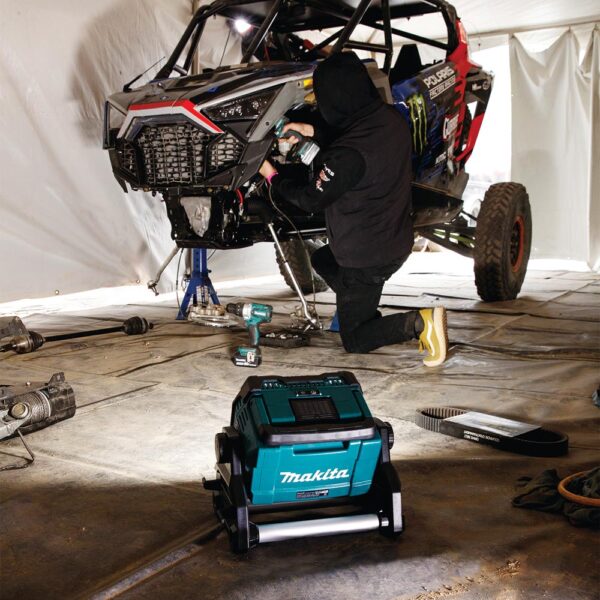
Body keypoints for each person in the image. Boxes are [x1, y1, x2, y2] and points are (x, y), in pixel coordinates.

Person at [259, 52, 448, 366]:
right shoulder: (389, 118)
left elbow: (310, 199)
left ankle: (420, 323)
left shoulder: (348, 154)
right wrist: (310, 130)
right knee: (322, 258)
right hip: (391, 237)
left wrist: (271, 176)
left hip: (366, 257)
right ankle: (358, 305)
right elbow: (350, 136)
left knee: (355, 340)